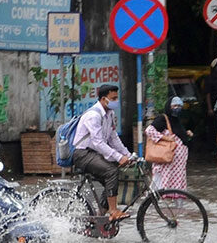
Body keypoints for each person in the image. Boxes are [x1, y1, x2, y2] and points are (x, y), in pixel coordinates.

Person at [72, 84, 131, 221]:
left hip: (94, 153)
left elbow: (113, 138)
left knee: (113, 178)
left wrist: (127, 155)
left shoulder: (109, 114)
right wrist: (117, 156)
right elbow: (98, 142)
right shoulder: (93, 115)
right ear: (104, 99)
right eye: (113, 98)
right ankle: (113, 210)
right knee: (111, 171)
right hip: (83, 154)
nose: (116, 101)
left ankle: (99, 219)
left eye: (117, 98)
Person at [144, 96, 193, 190]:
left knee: (178, 186)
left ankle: (177, 204)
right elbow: (149, 131)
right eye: (175, 105)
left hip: (178, 165)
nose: (177, 108)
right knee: (159, 184)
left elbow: (178, 134)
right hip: (166, 162)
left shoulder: (176, 120)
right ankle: (152, 203)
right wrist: (166, 138)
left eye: (179, 106)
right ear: (169, 106)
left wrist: (186, 133)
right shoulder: (162, 119)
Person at [204, 58, 217, 155]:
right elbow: (207, 94)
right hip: (214, 107)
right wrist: (210, 108)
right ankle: (212, 147)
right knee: (213, 128)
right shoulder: (209, 79)